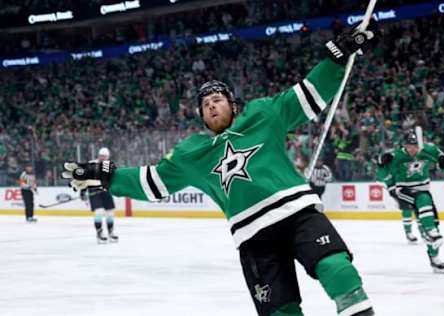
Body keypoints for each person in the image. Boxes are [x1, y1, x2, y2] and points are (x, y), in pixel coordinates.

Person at [63, 28, 375, 316]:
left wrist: (337, 56)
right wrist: (106, 174)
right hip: (253, 238)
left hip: (298, 214)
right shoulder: (192, 153)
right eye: (205, 105)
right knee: (281, 313)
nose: (211, 106)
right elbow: (151, 183)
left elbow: (308, 93)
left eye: (217, 100)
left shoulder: (263, 114)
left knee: (338, 269)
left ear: (233, 105)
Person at [378, 131, 444, 273]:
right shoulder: (396, 155)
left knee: (433, 223)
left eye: (415, 146)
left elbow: (442, 158)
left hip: (423, 190)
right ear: (404, 145)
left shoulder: (428, 149)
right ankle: (427, 231)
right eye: (410, 146)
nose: (413, 149)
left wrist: (443, 161)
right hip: (404, 190)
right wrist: (381, 162)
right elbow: (382, 171)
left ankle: (434, 258)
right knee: (422, 200)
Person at [80, 147, 119, 244]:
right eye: (101, 156)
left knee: (110, 213)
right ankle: (99, 234)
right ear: (99, 156)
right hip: (94, 192)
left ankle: (111, 232)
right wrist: (83, 191)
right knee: (99, 212)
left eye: (105, 156)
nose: (103, 158)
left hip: (106, 192)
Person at [376, 158, 418, 243]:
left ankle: (423, 231)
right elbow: (381, 181)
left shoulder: (396, 164)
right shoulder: (382, 171)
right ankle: (409, 233)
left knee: (418, 207)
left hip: (405, 186)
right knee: (407, 208)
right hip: (395, 189)